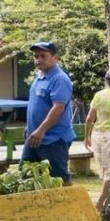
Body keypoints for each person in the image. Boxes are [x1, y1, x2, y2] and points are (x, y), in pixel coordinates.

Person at [23, 41, 76, 185]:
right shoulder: (40, 76)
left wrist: (41, 130)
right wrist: (30, 128)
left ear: (55, 57)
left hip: (54, 139)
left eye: (43, 56)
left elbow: (58, 108)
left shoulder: (59, 78)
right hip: (34, 138)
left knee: (59, 179)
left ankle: (71, 206)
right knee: (25, 175)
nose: (38, 59)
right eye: (36, 56)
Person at [84, 75, 110, 210]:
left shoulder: (99, 95)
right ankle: (100, 203)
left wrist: (87, 136)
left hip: (97, 134)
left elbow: (89, 118)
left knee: (104, 169)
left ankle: (104, 200)